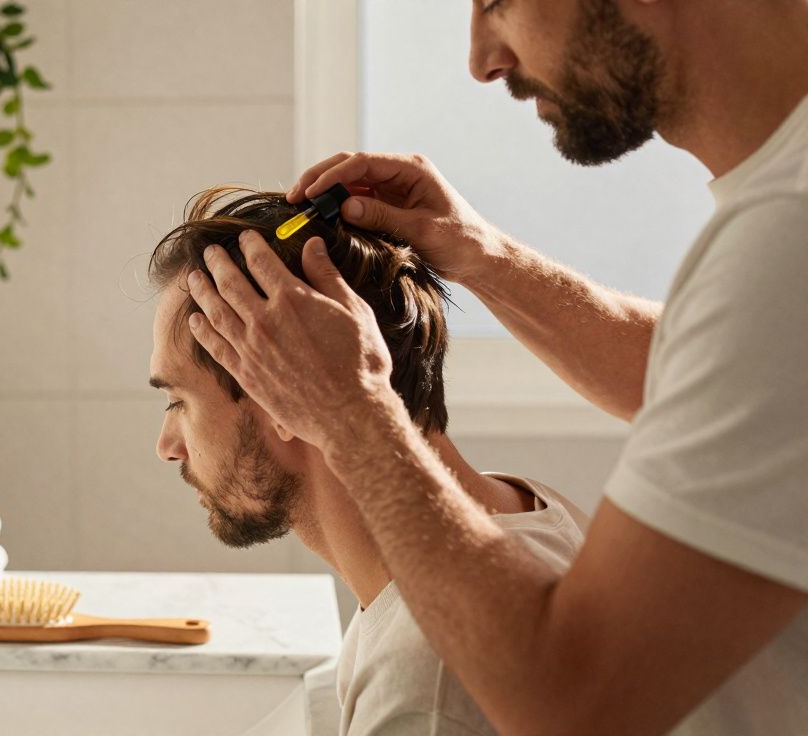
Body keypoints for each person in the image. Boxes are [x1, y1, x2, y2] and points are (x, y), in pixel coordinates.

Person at [182, 1, 808, 733]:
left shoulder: (785, 241)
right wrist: (487, 258)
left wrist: (352, 413)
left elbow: (572, 703)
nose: (483, 60)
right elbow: (715, 376)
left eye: (497, 2)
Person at [148, 186, 590, 735]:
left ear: (281, 392)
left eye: (177, 402)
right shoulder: (534, 512)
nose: (168, 444)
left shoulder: (427, 679)